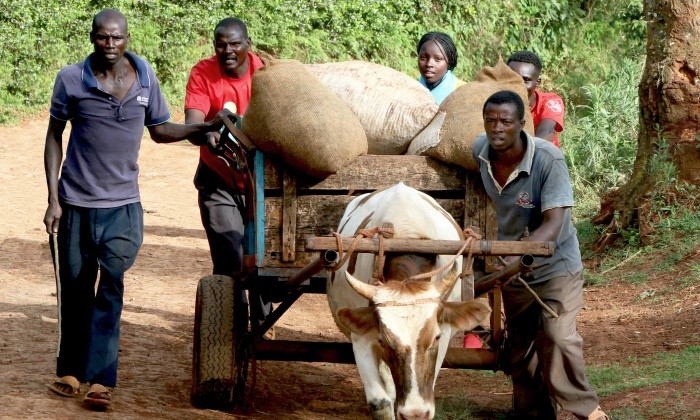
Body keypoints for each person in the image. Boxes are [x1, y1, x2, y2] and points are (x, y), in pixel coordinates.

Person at [43, 8, 226, 409]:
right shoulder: (71, 80)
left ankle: (101, 381)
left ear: (128, 38)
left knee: (111, 285)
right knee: (76, 290)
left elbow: (160, 130)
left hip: (124, 207)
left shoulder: (145, 78)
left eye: (117, 38)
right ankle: (70, 370)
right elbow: (54, 136)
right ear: (92, 37)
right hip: (75, 204)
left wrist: (201, 128)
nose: (110, 45)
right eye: (103, 37)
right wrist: (53, 199)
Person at [472, 90, 608, 420]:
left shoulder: (548, 161)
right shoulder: (480, 151)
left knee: (559, 337)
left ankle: (581, 411)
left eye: (506, 121)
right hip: (512, 265)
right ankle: (533, 411)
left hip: (556, 265)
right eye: (490, 121)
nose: (497, 128)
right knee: (520, 345)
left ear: (523, 124)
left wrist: (519, 259)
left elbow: (554, 223)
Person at [184, 17, 272, 334]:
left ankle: (264, 321)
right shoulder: (203, 73)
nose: (228, 51)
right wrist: (207, 131)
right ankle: (231, 328)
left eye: (235, 43)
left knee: (262, 256)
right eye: (221, 44)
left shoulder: (266, 75)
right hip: (217, 179)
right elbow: (193, 121)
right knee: (228, 255)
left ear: (248, 44)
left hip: (261, 182)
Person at [507, 50, 565, 148]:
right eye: (512, 79)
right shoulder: (496, 102)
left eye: (525, 80)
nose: (518, 86)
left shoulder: (550, 102)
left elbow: (546, 131)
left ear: (537, 82)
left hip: (543, 158)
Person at [417, 31, 465, 104]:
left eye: (437, 59)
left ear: (449, 62)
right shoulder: (409, 90)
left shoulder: (463, 91)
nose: (429, 64)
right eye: (423, 58)